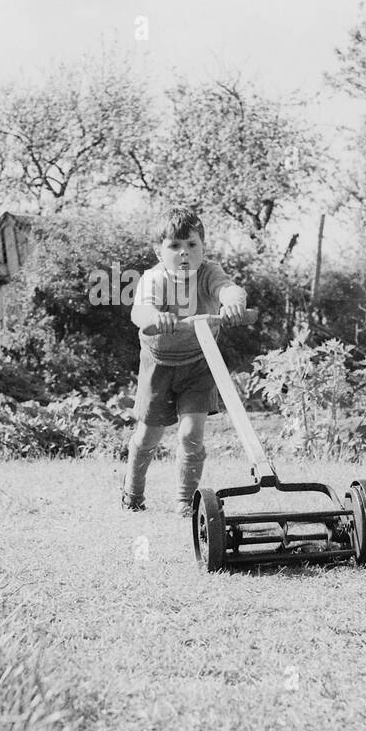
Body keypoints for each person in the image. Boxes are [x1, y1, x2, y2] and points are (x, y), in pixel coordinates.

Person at [121, 207, 247, 515]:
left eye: (192, 244)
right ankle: (132, 493)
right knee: (149, 434)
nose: (184, 253)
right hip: (159, 364)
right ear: (159, 252)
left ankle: (185, 501)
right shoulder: (154, 278)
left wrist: (233, 303)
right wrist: (155, 317)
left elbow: (228, 289)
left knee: (191, 433)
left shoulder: (209, 272)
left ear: (203, 248)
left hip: (199, 363)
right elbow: (140, 311)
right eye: (175, 246)